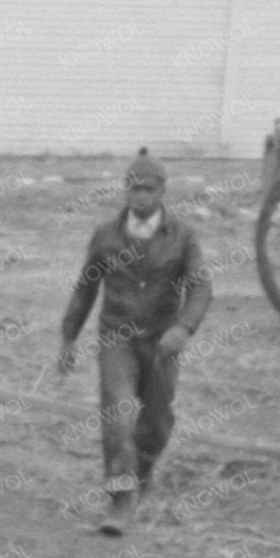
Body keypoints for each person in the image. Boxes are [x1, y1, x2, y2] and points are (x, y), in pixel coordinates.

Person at [53, 150, 211, 534]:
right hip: (117, 339)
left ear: (162, 191)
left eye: (148, 190)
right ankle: (120, 498)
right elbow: (86, 288)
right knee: (118, 415)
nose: (140, 197)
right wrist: (68, 338)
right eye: (134, 189)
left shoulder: (183, 236)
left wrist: (183, 328)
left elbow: (201, 287)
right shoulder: (106, 235)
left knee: (156, 423)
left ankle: (140, 473)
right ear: (125, 189)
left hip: (161, 342)